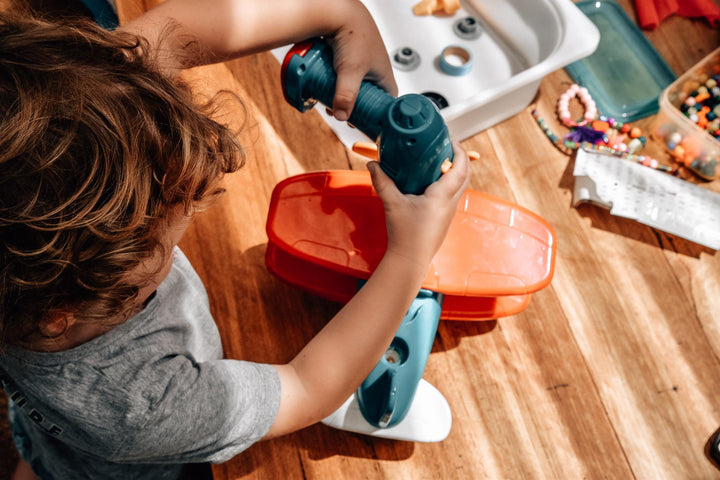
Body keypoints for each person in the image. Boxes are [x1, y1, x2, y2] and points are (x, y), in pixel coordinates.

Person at [0, 0, 471, 479]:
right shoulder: (141, 408)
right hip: (130, 467)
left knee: (39, 449)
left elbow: (169, 31)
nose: (186, 224)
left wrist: (339, 13)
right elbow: (306, 388)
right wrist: (411, 254)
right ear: (61, 314)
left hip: (44, 419)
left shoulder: (73, 106)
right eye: (162, 238)